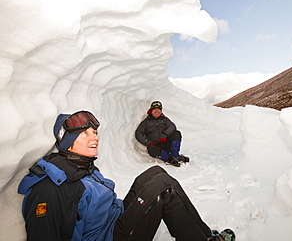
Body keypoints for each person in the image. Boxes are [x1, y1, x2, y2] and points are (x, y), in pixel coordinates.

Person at [18, 110, 235, 241]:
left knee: (156, 172)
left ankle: (202, 234)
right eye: (85, 133)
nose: (95, 137)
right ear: (67, 141)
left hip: (116, 218)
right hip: (112, 236)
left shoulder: (81, 167)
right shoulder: (52, 189)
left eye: (94, 132)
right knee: (162, 185)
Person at [135, 101, 189, 167]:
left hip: (166, 142)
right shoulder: (145, 122)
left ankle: (175, 155)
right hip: (156, 145)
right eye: (155, 109)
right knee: (152, 150)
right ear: (151, 111)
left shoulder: (165, 120)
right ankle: (170, 159)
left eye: (159, 109)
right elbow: (138, 133)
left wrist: (165, 135)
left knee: (176, 133)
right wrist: (147, 142)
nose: (157, 111)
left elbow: (172, 127)